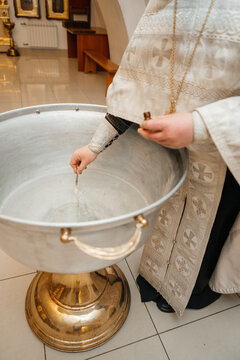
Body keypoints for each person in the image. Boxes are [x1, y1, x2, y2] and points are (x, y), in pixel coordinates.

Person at [70, 0, 240, 317]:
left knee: (212, 229)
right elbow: (136, 88)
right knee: (165, 215)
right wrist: (93, 147)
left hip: (226, 154)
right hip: (169, 155)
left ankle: (197, 289)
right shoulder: (164, 5)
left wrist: (200, 125)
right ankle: (157, 277)